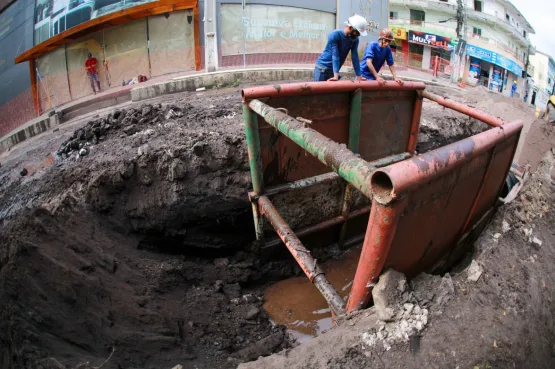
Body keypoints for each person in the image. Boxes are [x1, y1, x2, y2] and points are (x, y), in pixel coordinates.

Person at [314, 14, 369, 82]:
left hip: (334, 71)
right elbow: (335, 55)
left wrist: (359, 76)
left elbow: (355, 57)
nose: (358, 35)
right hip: (322, 69)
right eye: (357, 32)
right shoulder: (335, 35)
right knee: (319, 92)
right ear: (350, 27)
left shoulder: (355, 39)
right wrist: (336, 76)